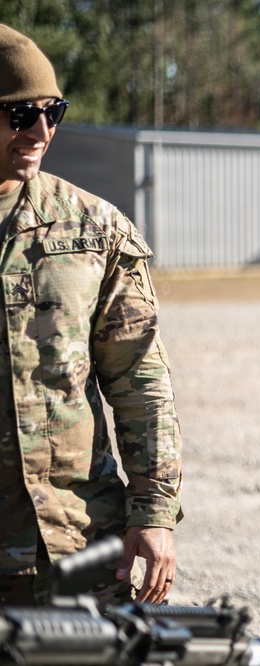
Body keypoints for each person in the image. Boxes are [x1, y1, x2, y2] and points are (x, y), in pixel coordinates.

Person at [0, 23, 182, 607]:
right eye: (21, 114)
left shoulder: (93, 229)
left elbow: (139, 380)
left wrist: (154, 512)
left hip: (73, 546)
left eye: (53, 111)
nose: (42, 132)